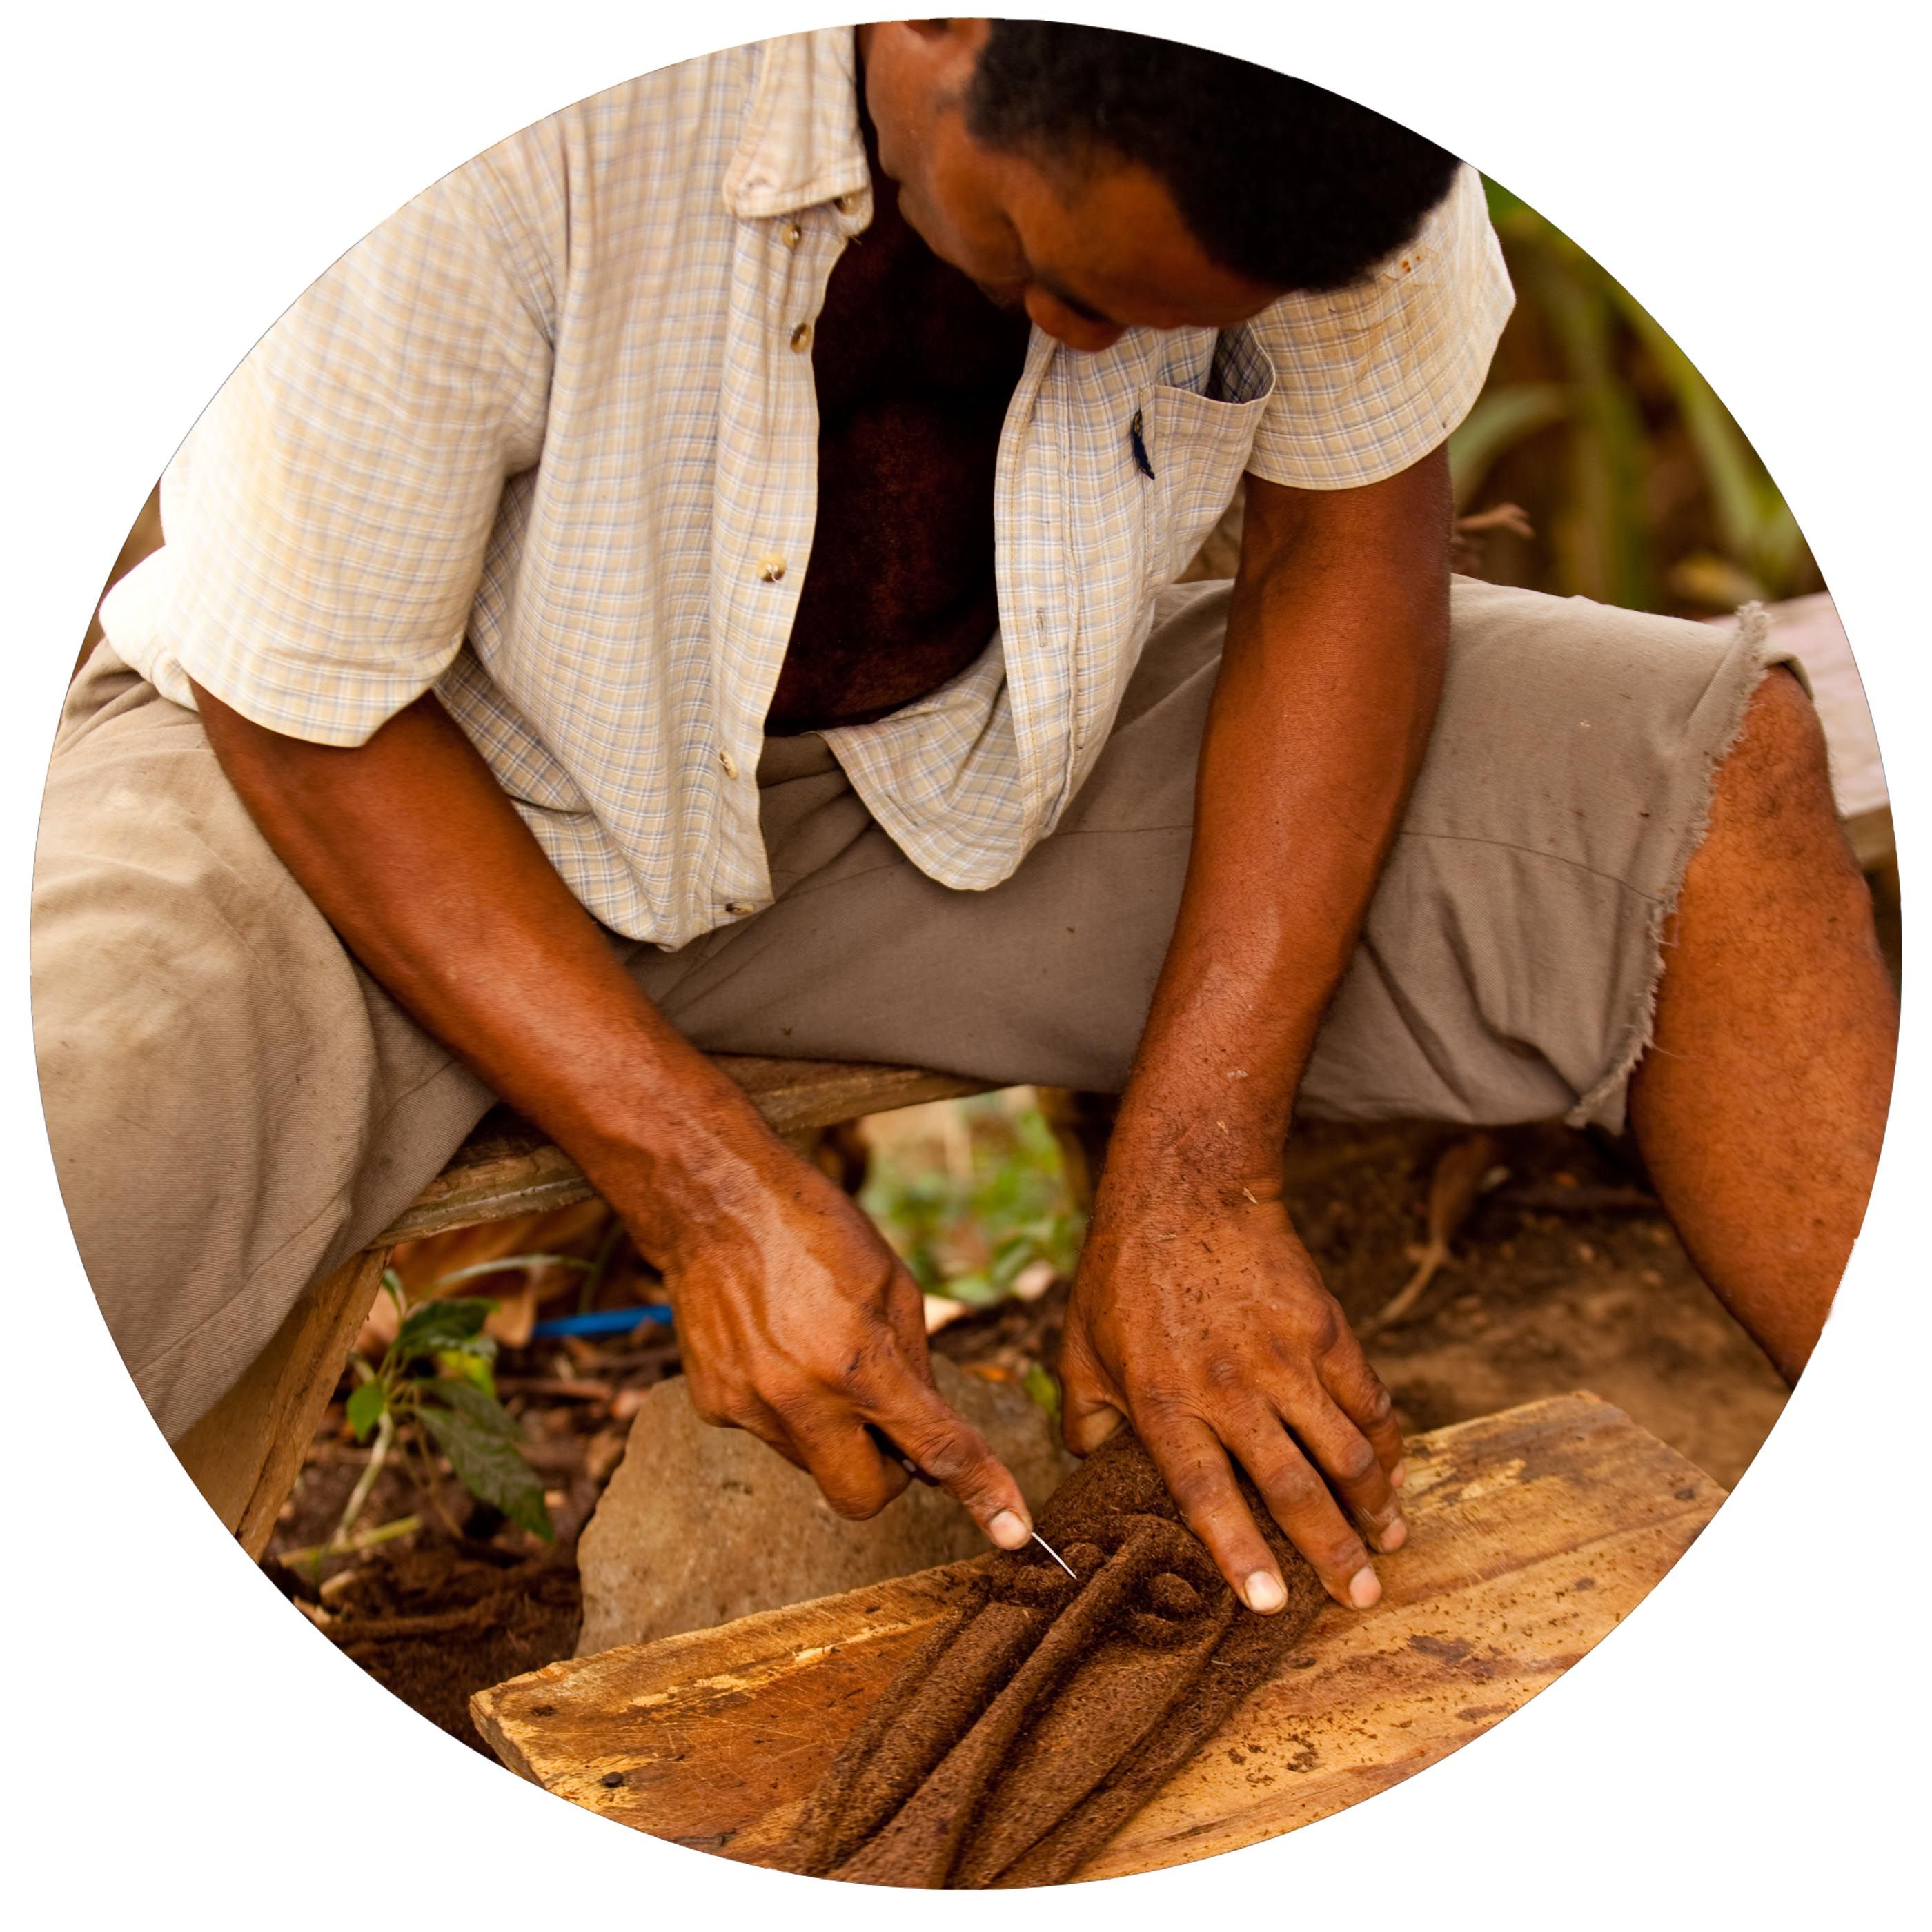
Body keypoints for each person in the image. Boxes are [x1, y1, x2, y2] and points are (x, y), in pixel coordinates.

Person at [34, 21, 1895, 1619]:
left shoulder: (1341, 108)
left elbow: (1344, 534)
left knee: (1705, 786)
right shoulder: (496, 116)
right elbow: (301, 705)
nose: (1103, 357)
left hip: (987, 744)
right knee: (78, 1145)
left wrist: (1201, 1167)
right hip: (389, 773)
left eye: (1184, 333)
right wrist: (698, 1182)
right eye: (1060, 280)